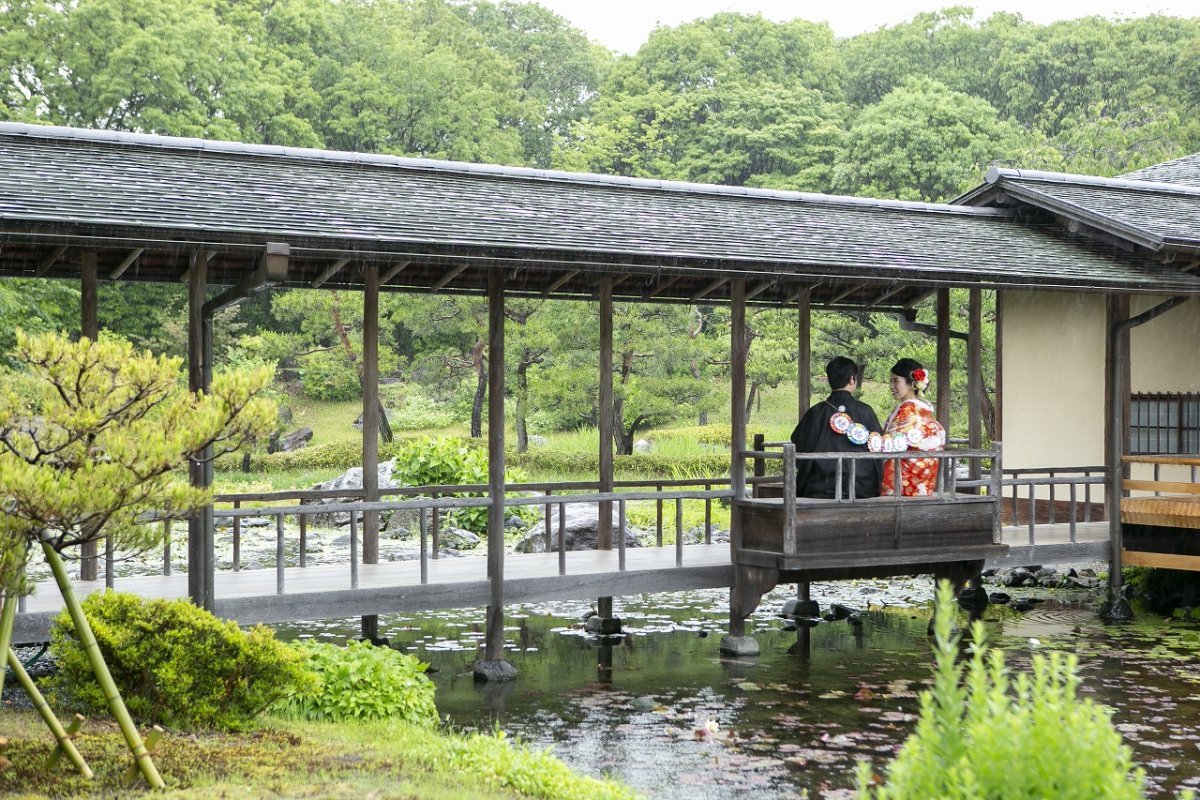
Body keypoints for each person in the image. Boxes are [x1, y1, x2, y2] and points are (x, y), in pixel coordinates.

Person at [790, 356, 883, 499]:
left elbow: (798, 442)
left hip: (818, 488)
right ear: (852, 379)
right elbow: (879, 446)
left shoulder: (815, 412)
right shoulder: (865, 411)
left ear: (829, 380)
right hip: (862, 488)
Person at [878, 358, 946, 496]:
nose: (892, 386)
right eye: (891, 381)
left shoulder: (908, 410)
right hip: (923, 476)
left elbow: (889, 444)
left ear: (911, 383)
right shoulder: (922, 408)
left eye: (896, 381)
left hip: (905, 476)